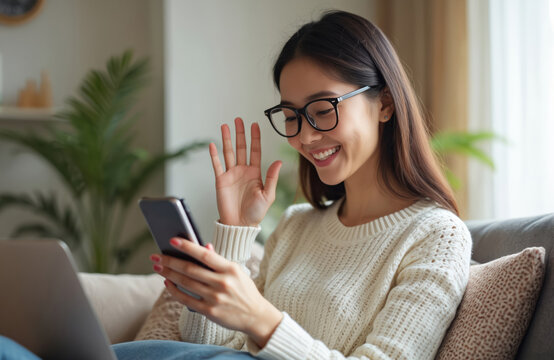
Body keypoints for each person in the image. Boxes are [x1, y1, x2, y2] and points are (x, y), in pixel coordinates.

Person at [1, 10, 471, 360]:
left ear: (385, 103)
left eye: (323, 108)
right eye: (290, 115)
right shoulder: (297, 225)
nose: (306, 135)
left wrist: (260, 318)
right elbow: (206, 345)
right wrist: (233, 230)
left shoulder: (436, 235)